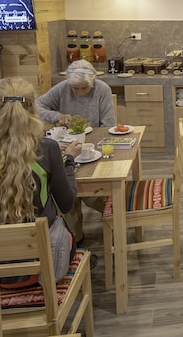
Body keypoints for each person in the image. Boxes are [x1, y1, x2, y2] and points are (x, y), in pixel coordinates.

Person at [0, 77, 83, 283]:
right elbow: (66, 204)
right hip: (41, 270)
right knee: (58, 220)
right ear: (32, 110)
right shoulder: (46, 149)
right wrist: (68, 160)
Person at [35, 59, 116, 244]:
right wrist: (56, 116)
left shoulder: (102, 89)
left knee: (83, 191)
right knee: (67, 187)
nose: (80, 92)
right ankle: (76, 239)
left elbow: (108, 125)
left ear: (92, 81)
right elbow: (37, 106)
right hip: (67, 147)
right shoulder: (63, 88)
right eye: (75, 89)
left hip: (94, 147)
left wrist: (92, 142)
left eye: (84, 88)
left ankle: (117, 212)